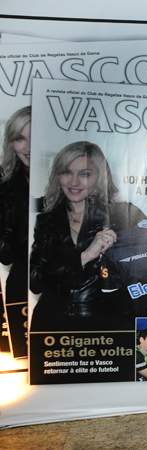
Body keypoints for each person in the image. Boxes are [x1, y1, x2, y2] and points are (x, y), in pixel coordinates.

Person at [29, 141, 147, 331]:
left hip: (108, 326)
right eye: (66, 172)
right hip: (52, 324)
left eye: (84, 174)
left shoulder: (125, 215)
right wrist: (85, 256)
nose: (74, 182)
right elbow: (35, 281)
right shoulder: (47, 220)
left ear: (100, 176)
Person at [0, 106, 32, 355]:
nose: (28, 146)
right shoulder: (4, 184)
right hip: (23, 287)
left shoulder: (77, 179)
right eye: (20, 138)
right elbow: (5, 253)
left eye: (36, 136)